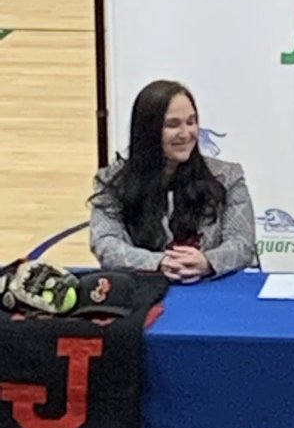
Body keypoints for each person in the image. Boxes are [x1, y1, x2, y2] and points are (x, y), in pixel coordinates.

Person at [90, 80, 256, 281]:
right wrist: (157, 263)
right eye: (173, 124)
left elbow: (242, 243)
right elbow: (105, 243)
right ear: (148, 131)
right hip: (145, 291)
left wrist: (207, 262)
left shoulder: (227, 177)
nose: (186, 134)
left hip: (211, 291)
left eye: (191, 122)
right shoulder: (113, 182)